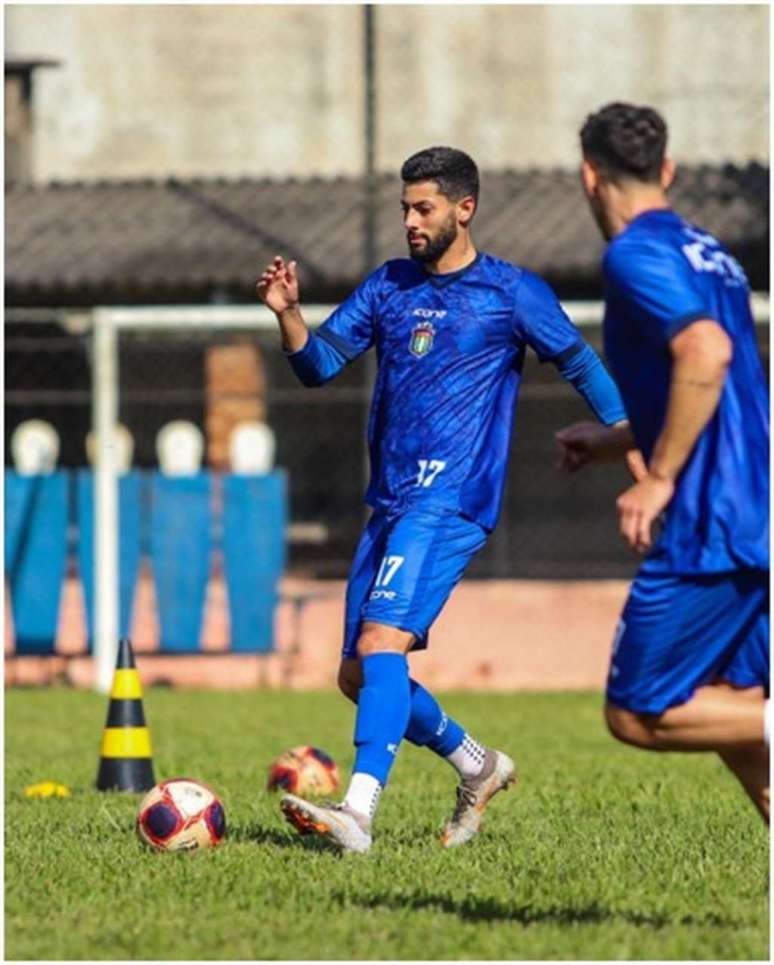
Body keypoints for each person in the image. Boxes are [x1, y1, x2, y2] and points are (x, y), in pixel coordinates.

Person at [258, 146, 627, 853]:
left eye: (423, 207)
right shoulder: (389, 285)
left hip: (451, 498)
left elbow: (581, 362)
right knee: (360, 674)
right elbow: (318, 365)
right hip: (391, 501)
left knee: (380, 644)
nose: (410, 221)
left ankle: (358, 813)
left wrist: (629, 444)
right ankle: (475, 763)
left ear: (466, 208)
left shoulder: (512, 292)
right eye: (404, 208)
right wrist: (289, 316)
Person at [556, 103, 770, 821]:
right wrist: (618, 439)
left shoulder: (633, 254)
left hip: (714, 518)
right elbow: (722, 385)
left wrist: (660, 477)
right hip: (756, 500)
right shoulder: (712, 252)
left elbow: (705, 353)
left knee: (638, 711)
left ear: (590, 177)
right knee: (736, 706)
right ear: (667, 170)